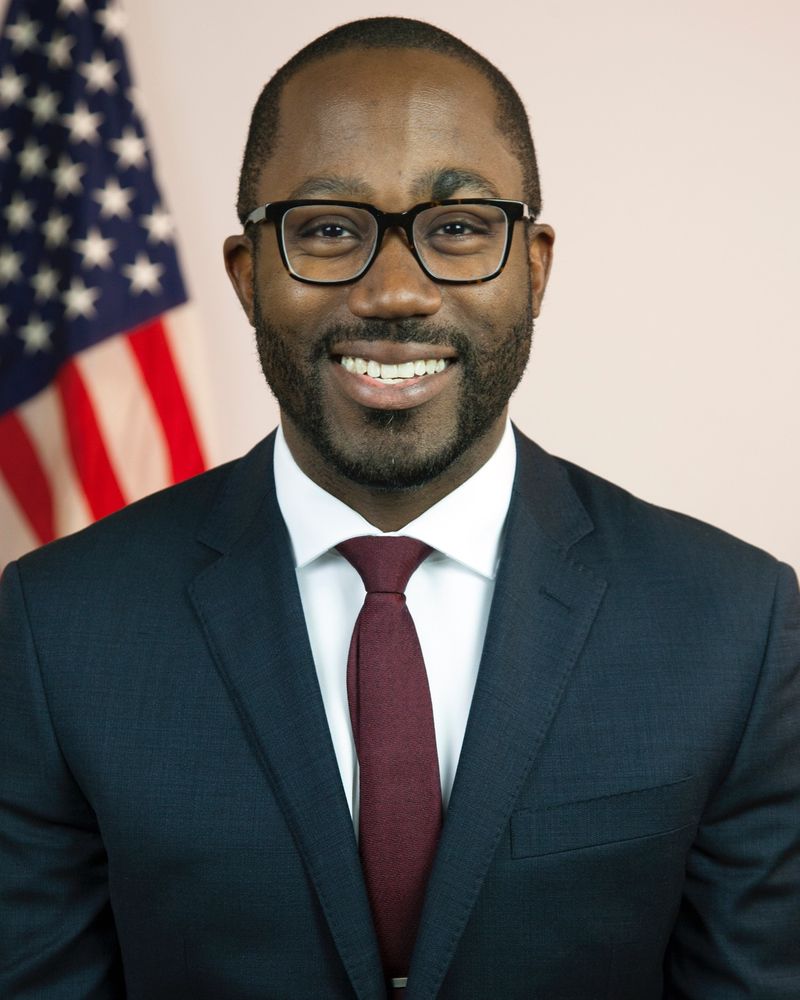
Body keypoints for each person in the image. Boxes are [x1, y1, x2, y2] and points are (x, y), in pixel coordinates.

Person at [1, 16, 798, 1000]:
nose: (392, 291)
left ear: (534, 267)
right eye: (329, 229)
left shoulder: (733, 623)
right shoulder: (56, 627)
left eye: (457, 229)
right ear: (247, 276)